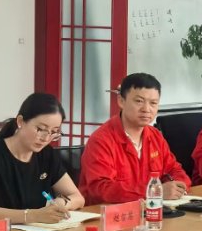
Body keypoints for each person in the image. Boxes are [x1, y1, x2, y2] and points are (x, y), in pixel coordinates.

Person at [0, 93, 85, 225]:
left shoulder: (47, 154)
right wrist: (33, 215)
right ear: (20, 121)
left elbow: (78, 198)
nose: (46, 138)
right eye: (41, 129)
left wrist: (61, 202)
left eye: (53, 132)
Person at [78, 73, 190, 204]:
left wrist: (178, 186)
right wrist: (154, 191)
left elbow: (174, 171)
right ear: (121, 101)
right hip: (107, 213)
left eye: (153, 103)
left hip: (150, 210)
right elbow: (101, 189)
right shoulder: (101, 140)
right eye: (139, 101)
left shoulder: (155, 136)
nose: (146, 109)